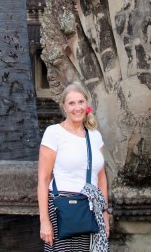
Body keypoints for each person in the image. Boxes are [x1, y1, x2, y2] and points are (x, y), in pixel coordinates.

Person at [38, 82, 110, 251]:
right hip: (62, 208)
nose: (77, 108)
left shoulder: (95, 136)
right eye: (71, 103)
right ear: (64, 107)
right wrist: (44, 221)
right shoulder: (54, 133)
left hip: (92, 209)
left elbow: (101, 179)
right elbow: (43, 179)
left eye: (80, 102)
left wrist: (105, 214)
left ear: (87, 104)